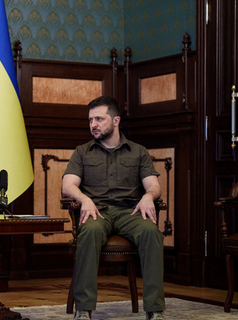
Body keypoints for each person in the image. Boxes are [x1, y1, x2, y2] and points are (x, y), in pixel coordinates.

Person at [62, 96, 166, 320]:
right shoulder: (82, 151)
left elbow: (154, 186)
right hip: (96, 211)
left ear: (116, 120)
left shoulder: (138, 152)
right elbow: (67, 185)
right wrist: (85, 199)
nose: (93, 125)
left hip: (130, 212)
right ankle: (84, 309)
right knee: (88, 232)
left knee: (151, 232)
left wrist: (149, 196)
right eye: (90, 120)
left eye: (99, 119)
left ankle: (155, 310)